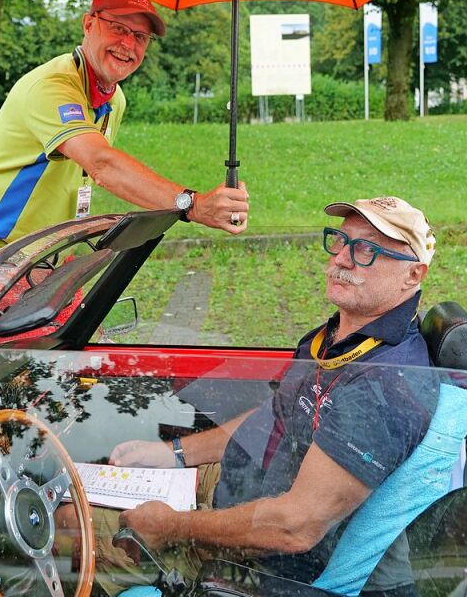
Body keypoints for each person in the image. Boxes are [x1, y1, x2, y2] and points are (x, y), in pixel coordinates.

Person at [81, 195, 438, 596]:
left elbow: (295, 527)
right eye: (340, 241)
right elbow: (273, 417)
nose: (341, 259)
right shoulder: (334, 338)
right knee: (80, 491)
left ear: (413, 275)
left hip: (258, 554)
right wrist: (176, 454)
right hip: (237, 486)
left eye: (367, 250)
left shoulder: (385, 387)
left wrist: (172, 527)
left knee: (66, 526)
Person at [0, 0, 250, 293]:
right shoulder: (52, 86)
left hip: (39, 252)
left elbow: (85, 174)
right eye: (118, 28)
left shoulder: (114, 100)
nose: (128, 44)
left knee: (71, 341)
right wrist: (193, 205)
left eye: (140, 36)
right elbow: (101, 165)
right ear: (88, 24)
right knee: (28, 348)